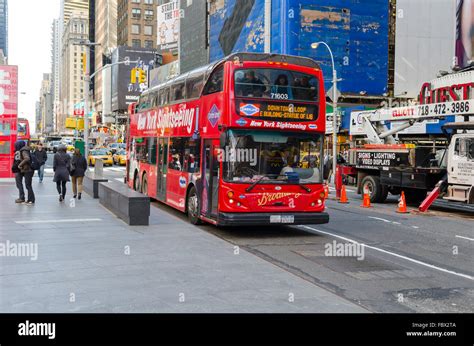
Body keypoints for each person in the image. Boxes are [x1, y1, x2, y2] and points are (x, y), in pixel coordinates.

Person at [12, 140, 35, 205]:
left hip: (27, 170)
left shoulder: (24, 150)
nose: (15, 146)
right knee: (25, 185)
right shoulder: (21, 150)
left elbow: (27, 158)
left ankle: (31, 199)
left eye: (16, 145)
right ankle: (24, 198)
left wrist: (20, 165)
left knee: (28, 185)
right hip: (24, 170)